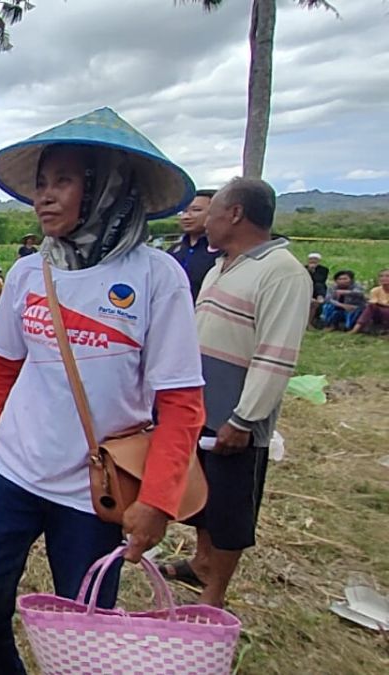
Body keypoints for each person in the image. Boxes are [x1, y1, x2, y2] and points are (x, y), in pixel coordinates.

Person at [0, 108, 206, 671]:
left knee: (85, 631)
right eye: (41, 184)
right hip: (14, 473)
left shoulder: (156, 277)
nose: (44, 197)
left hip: (95, 493)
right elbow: (3, 368)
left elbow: (182, 405)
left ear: (105, 188)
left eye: (63, 182)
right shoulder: (27, 272)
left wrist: (158, 501)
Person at [159, 178, 311, 608]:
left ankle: (214, 593)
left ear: (236, 214)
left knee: (230, 505)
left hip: (237, 415)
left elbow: (275, 355)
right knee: (204, 497)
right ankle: (201, 561)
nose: (204, 221)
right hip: (203, 406)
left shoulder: (282, 272)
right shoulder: (223, 265)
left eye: (211, 211)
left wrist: (245, 418)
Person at [168, 189, 223, 300]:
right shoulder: (173, 251)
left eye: (196, 210)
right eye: (183, 211)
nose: (186, 217)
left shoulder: (223, 254)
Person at [351, 268, 389, 335]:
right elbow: (373, 302)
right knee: (371, 307)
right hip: (380, 313)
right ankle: (356, 328)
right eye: (381, 276)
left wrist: (380, 303)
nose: (384, 278)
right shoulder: (375, 290)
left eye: (387, 276)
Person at [304, 252, 329, 327]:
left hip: (317, 289)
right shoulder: (303, 268)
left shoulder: (324, 269)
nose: (313, 261)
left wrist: (313, 271)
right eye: (311, 259)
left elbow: (320, 280)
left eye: (315, 259)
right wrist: (309, 271)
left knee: (318, 285)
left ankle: (320, 296)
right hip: (306, 287)